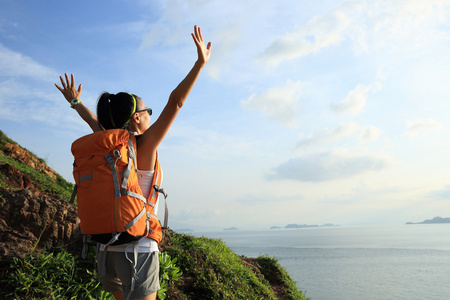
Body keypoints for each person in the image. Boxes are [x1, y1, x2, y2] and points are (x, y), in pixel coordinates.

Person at [55, 25, 211, 300]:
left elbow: (95, 122)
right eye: (147, 110)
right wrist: (200, 64)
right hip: (138, 250)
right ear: (136, 118)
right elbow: (175, 102)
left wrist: (76, 102)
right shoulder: (144, 146)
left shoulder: (110, 146)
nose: (151, 114)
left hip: (107, 251)